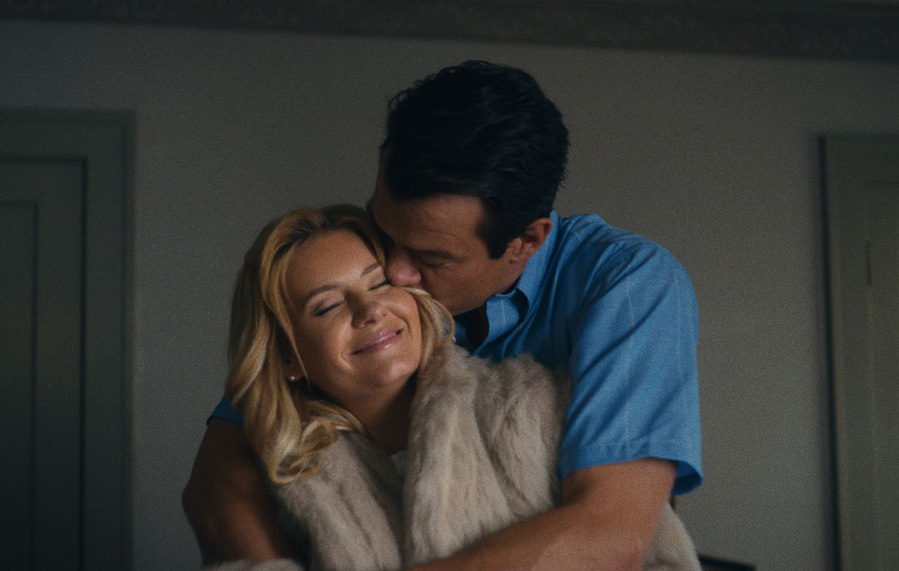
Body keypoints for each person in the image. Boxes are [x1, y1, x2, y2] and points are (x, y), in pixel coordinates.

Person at [184, 60, 702, 570]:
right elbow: (220, 476)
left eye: (431, 258)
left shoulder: (628, 286)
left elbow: (609, 536)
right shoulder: (357, 324)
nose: (395, 273)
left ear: (527, 241)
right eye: (386, 233)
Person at [208, 204, 700, 571]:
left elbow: (644, 551)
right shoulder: (283, 483)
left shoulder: (534, 405)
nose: (370, 309)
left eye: (378, 284)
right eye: (326, 306)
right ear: (289, 357)